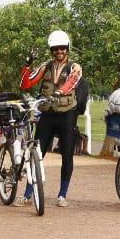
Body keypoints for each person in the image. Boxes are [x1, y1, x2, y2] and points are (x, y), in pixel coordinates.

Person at [17, 30, 82, 208]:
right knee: (37, 153)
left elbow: (72, 82)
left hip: (67, 114)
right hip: (47, 114)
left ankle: (62, 194)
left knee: (67, 155)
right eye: (55, 48)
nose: (59, 51)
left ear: (67, 48)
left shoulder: (74, 66)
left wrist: (59, 92)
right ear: (51, 50)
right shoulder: (45, 66)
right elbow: (26, 83)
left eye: (62, 48)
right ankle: (28, 194)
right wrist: (27, 64)